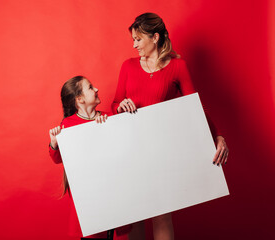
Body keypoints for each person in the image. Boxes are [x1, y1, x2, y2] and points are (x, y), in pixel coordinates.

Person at [111, 13, 229, 240]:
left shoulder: (177, 66)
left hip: (160, 150)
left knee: (161, 213)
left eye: (138, 39)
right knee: (135, 213)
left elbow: (196, 107)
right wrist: (119, 107)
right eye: (133, 40)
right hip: (131, 148)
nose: (134, 45)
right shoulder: (128, 66)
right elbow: (114, 103)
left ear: (155, 37)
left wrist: (218, 136)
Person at [49, 76, 130, 239]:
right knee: (93, 233)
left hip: (110, 189)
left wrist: (107, 128)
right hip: (87, 194)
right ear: (79, 99)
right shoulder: (68, 124)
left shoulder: (108, 117)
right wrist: (54, 142)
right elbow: (58, 159)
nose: (97, 89)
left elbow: (122, 151)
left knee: (111, 230)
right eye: (91, 87)